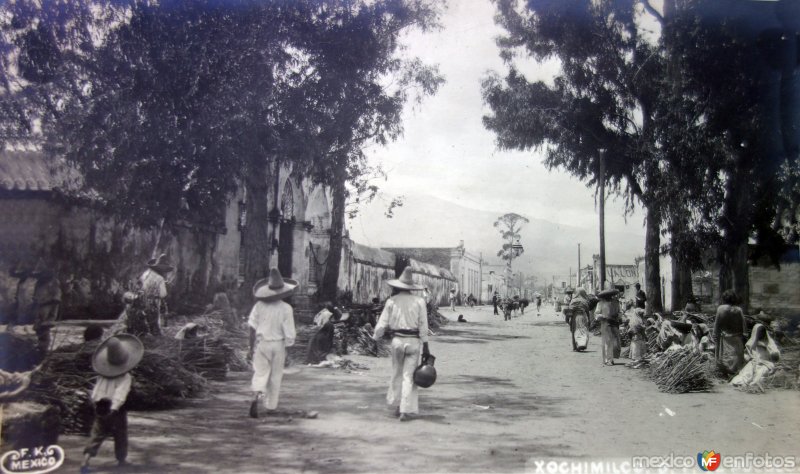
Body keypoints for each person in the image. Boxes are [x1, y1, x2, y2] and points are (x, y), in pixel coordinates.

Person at [372, 267, 430, 422]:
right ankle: (405, 410)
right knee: (408, 376)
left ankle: (396, 404)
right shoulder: (420, 301)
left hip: (397, 340)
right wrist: (426, 346)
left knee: (397, 372)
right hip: (413, 342)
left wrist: (375, 338)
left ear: (397, 286)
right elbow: (424, 326)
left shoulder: (392, 301)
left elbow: (382, 323)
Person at [81, 334, 144, 473]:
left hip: (100, 406)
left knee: (97, 434)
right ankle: (121, 459)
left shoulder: (102, 374)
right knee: (120, 434)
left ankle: (86, 460)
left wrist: (94, 403)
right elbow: (120, 394)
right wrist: (114, 408)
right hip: (114, 409)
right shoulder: (126, 377)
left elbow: (96, 390)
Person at [247, 268, 298, 418]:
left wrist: (250, 348)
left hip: (262, 343)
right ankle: (270, 406)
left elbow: (251, 328)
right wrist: (289, 346)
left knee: (260, 372)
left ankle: (256, 394)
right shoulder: (286, 308)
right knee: (275, 376)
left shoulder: (259, 306)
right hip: (278, 344)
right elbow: (289, 331)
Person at [731, 323, 781, 389]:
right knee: (747, 372)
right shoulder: (751, 343)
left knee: (760, 372)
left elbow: (776, 356)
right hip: (754, 362)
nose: (761, 334)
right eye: (759, 332)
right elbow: (747, 355)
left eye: (762, 332)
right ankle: (741, 383)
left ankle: (754, 384)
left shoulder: (769, 342)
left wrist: (767, 348)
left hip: (766, 363)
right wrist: (749, 358)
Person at [138, 254, 174, 336]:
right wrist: (167, 286)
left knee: (145, 319)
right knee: (154, 321)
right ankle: (155, 335)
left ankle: (145, 333)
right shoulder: (160, 278)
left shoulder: (146, 273)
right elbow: (163, 294)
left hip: (142, 299)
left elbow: (141, 285)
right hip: (154, 302)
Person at [713, 289, 747, 376]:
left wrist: (715, 335)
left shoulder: (721, 309)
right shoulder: (738, 310)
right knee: (736, 355)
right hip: (736, 338)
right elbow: (743, 325)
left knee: (726, 356)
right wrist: (743, 335)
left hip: (725, 338)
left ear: (724, 298)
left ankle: (725, 372)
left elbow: (717, 324)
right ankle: (736, 371)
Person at [596, 288, 622, 366]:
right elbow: (597, 314)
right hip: (605, 323)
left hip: (614, 323)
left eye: (610, 296)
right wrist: (602, 316)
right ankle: (608, 359)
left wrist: (618, 316)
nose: (609, 297)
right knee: (608, 342)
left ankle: (612, 358)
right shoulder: (600, 304)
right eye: (608, 296)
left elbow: (620, 312)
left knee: (615, 342)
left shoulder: (616, 303)